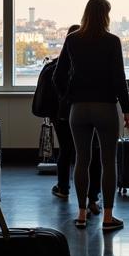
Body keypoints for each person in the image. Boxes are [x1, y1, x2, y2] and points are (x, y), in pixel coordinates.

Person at [52, 0, 129, 232]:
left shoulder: (73, 40)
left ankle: (81, 214)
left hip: (79, 109)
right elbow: (119, 78)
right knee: (108, 162)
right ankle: (108, 217)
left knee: (81, 161)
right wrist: (126, 109)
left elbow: (57, 76)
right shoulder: (112, 41)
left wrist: (68, 96)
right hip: (105, 107)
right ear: (106, 15)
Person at [51, 25, 103, 208]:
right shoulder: (91, 64)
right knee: (92, 153)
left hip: (64, 115)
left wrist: (66, 100)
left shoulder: (56, 65)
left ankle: (63, 188)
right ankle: (93, 197)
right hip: (91, 112)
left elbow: (55, 83)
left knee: (66, 151)